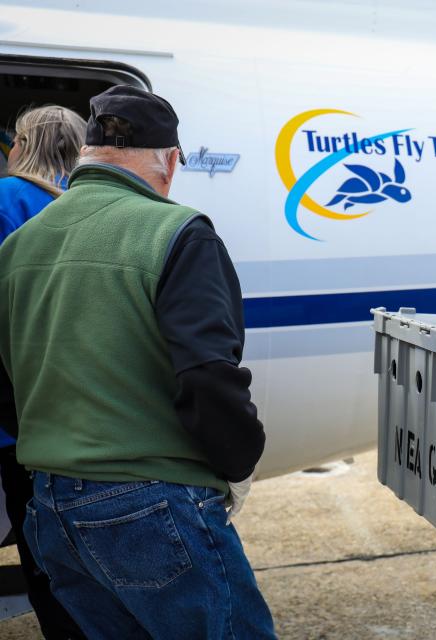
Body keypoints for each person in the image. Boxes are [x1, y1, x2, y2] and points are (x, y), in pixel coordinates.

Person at [0, 85, 275, 639]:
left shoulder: (18, 244)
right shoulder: (178, 232)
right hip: (153, 504)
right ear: (171, 160)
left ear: (88, 154)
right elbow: (207, 377)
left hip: (51, 507)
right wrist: (239, 461)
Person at [0, 104, 87, 640]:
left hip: (16, 417)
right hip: (81, 413)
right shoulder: (95, 205)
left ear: (22, 145)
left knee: (41, 555)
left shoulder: (7, 199)